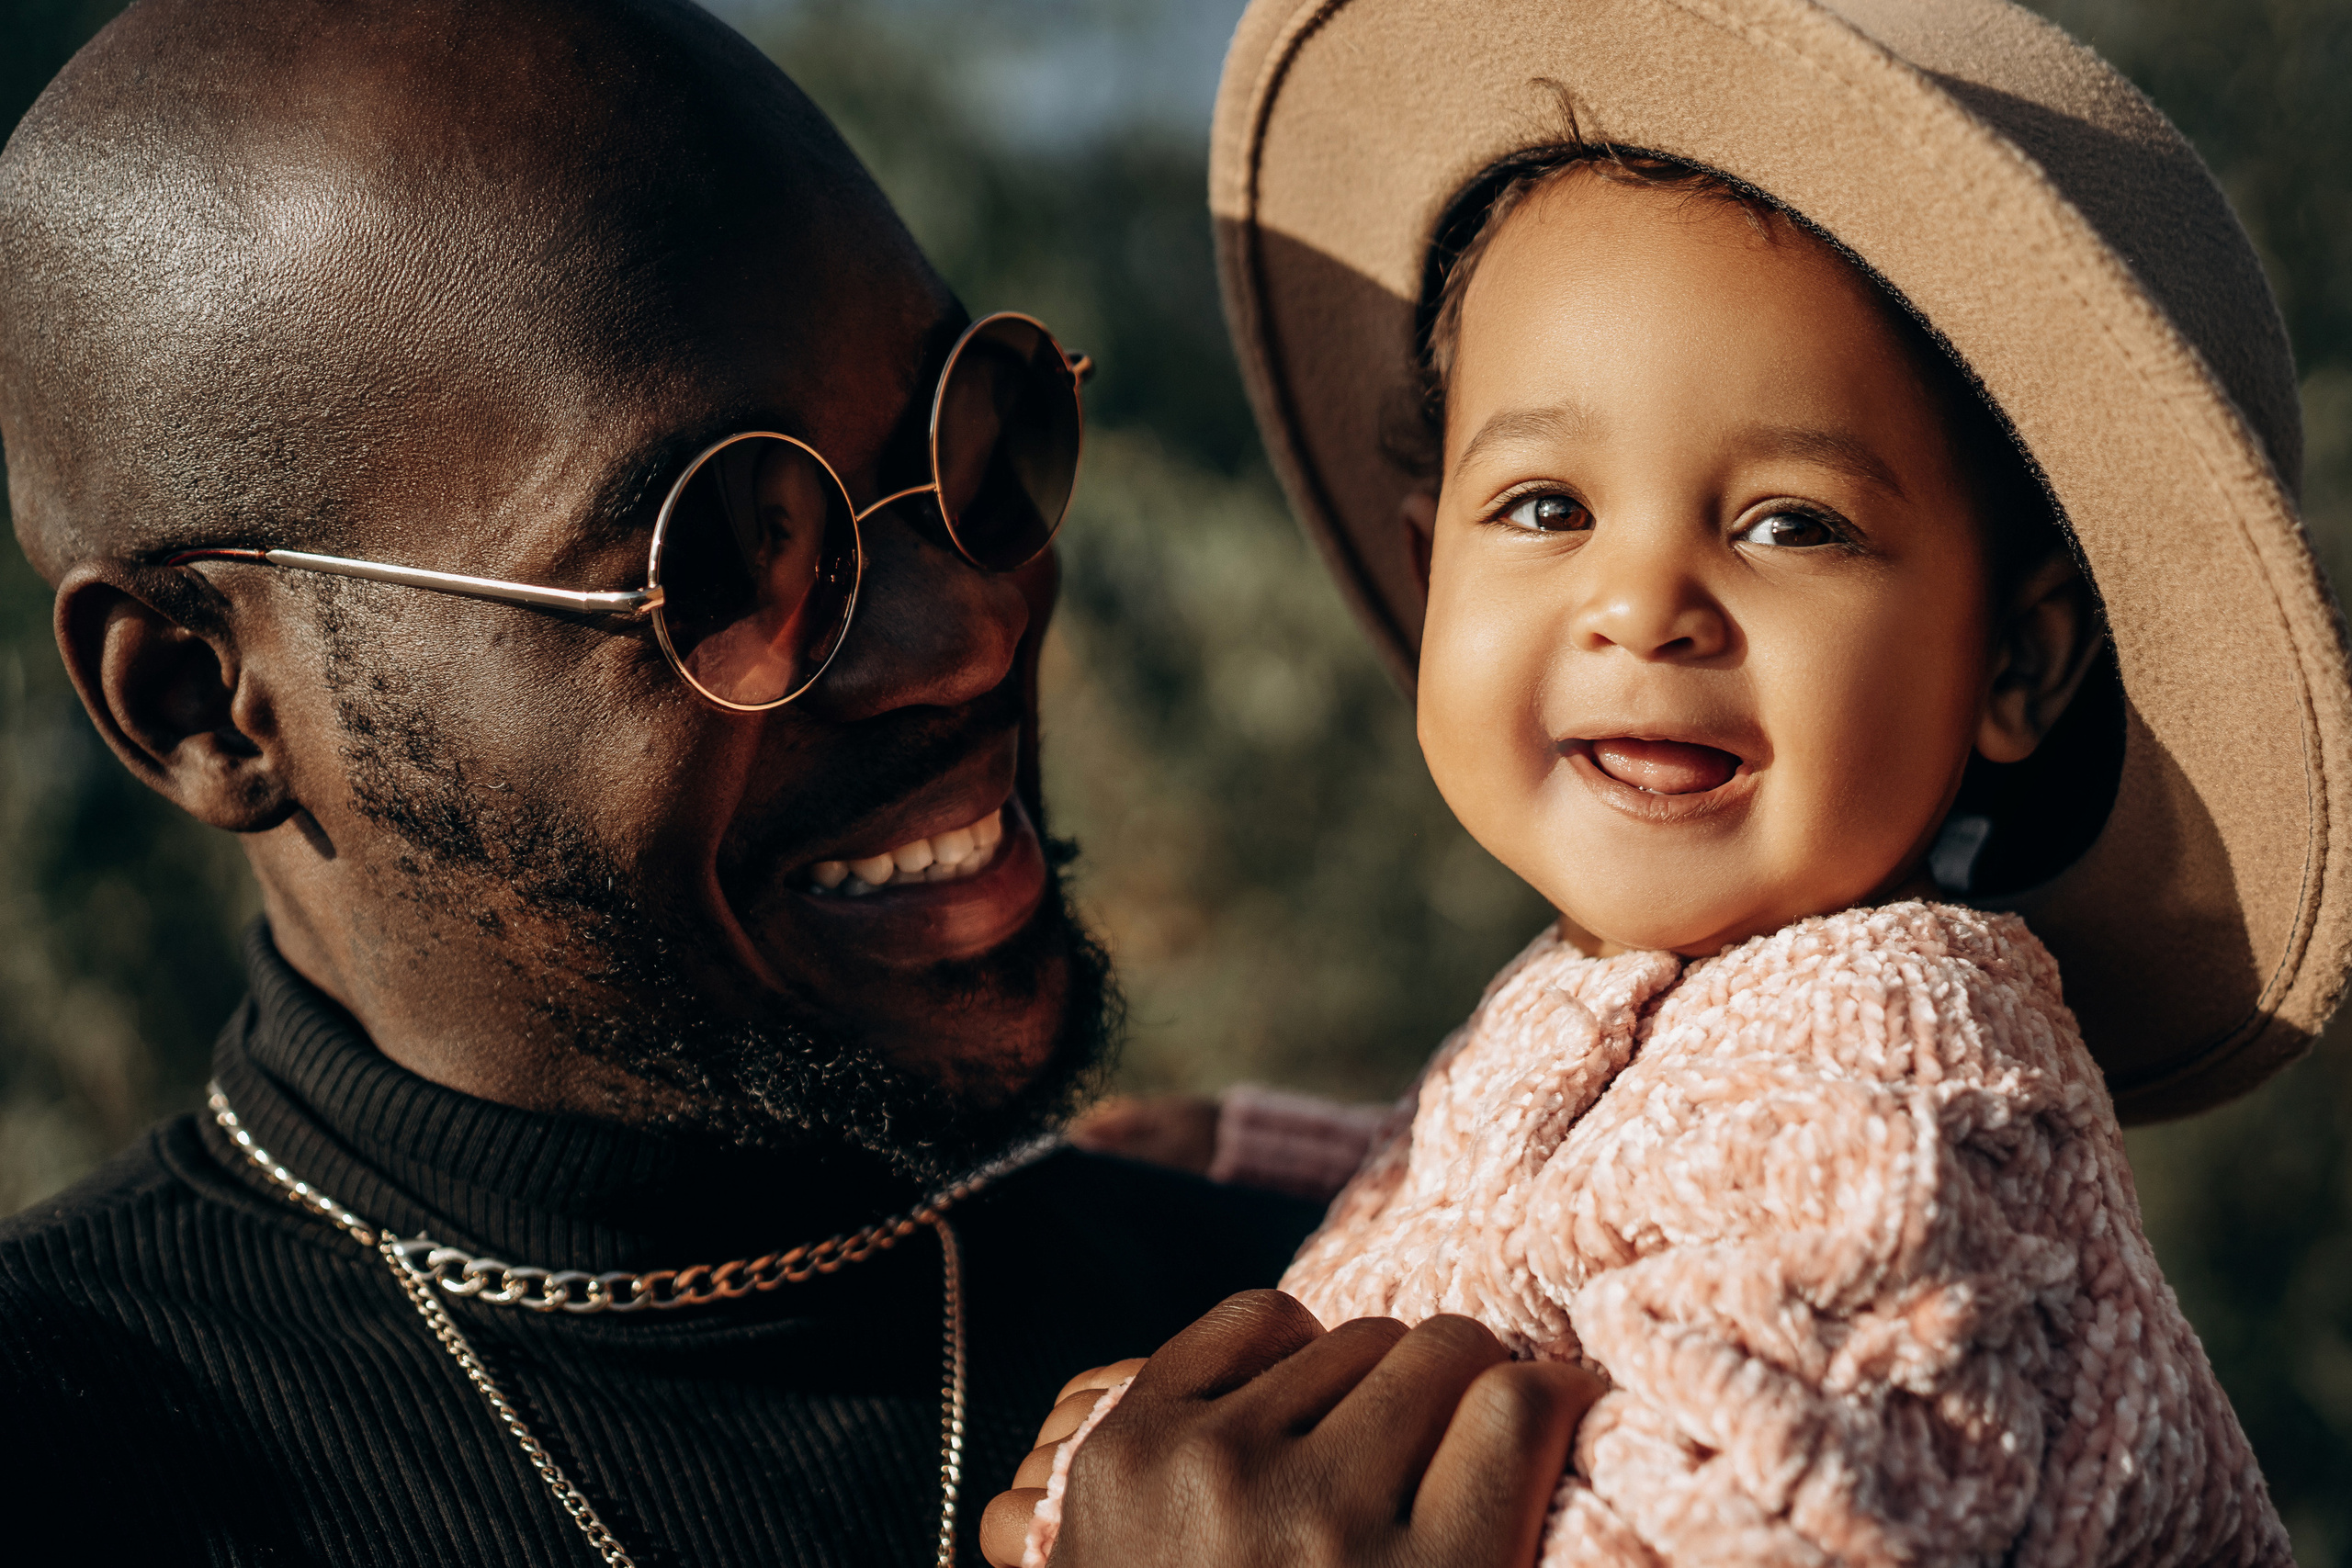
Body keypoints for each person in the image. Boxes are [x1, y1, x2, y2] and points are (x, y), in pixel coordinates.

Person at [0, 1, 1603, 1562]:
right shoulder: (75, 1454)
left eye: (982, 439)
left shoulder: (1379, 1339)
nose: (966, 627)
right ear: (203, 703)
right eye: (718, 555)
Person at [994, 0, 2352, 1562]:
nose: (1641, 604)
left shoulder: (1905, 1054)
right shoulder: (1707, 1003)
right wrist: (1271, 1165)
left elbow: (1771, 1516)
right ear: (1438, 565)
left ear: (2015, 665)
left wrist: (1180, 1520)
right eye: (1550, 504)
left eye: (1790, 525)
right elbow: (1565, 1193)